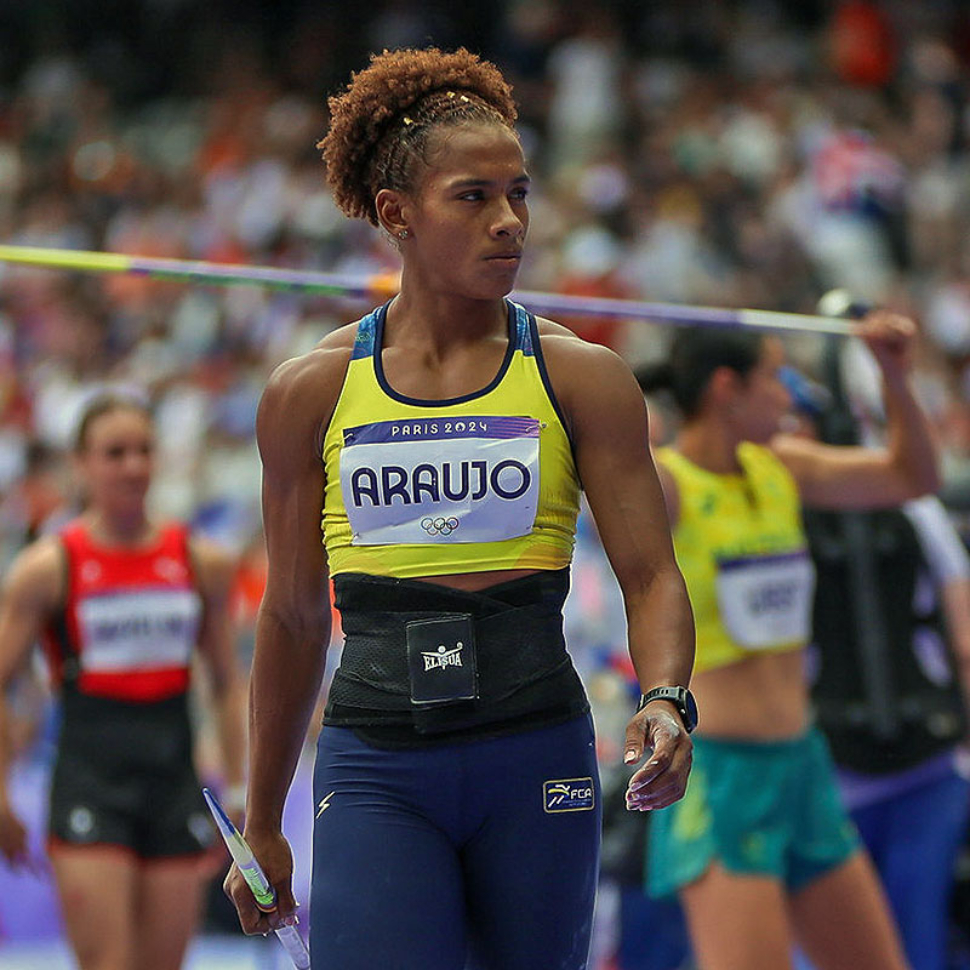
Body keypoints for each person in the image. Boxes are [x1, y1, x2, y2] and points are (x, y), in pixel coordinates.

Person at [223, 46, 696, 970]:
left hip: (536, 757)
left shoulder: (581, 378)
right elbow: (288, 615)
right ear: (396, 215)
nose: (510, 221)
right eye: (474, 197)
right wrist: (262, 820)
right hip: (377, 766)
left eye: (519, 194)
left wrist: (668, 698)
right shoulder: (310, 393)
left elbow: (651, 574)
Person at [637, 318, 939, 970]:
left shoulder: (780, 465)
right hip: (721, 777)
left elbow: (912, 476)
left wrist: (891, 371)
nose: (791, 395)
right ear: (728, 388)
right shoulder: (666, 485)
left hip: (804, 765)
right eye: (776, 377)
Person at [0, 393, 247, 970]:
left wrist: (238, 789)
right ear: (82, 463)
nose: (133, 466)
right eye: (115, 453)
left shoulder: (199, 560)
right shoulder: (47, 568)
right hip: (90, 783)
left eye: (144, 450)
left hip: (173, 782)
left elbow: (225, 683)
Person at [788, 352, 970, 970]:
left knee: (830, 948)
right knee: (917, 940)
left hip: (829, 766)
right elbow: (966, 643)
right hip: (928, 755)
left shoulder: (776, 510)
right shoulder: (920, 510)